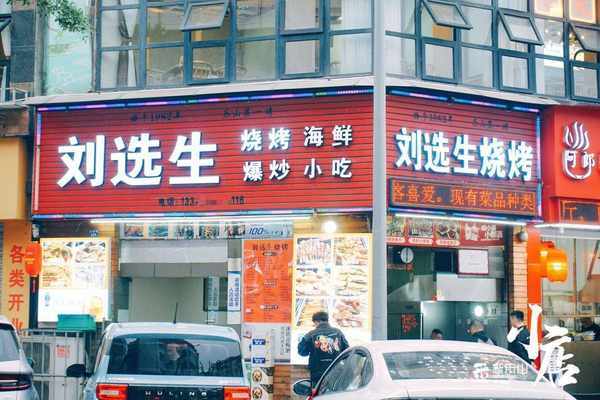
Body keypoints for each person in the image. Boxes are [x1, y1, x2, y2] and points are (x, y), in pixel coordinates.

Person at [298, 311, 349, 387]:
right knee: (336, 392)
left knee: (318, 391)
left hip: (317, 372)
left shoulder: (310, 334)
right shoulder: (338, 332)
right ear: (327, 320)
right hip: (336, 370)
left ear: (316, 322)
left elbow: (302, 352)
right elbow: (347, 351)